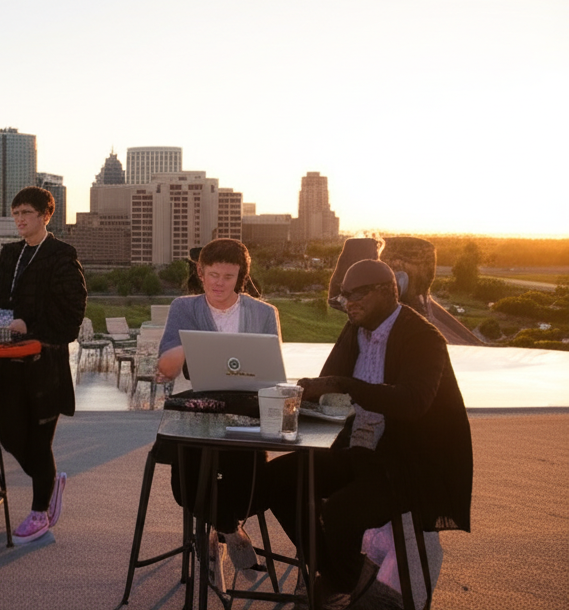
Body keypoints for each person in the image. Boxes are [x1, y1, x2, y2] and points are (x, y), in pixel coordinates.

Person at [265, 259, 473, 607]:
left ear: (389, 291)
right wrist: (302, 396)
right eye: (344, 296)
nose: (349, 303)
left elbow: (413, 402)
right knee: (279, 480)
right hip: (358, 450)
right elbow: (329, 383)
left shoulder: (424, 338)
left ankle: (341, 582)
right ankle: (339, 576)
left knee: (340, 513)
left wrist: (346, 385)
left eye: (357, 294)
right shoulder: (355, 330)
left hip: (408, 463)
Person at [155, 238, 281, 591]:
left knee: (253, 486)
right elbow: (166, 368)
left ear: (241, 276)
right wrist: (193, 345)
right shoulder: (184, 307)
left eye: (228, 276)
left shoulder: (263, 313)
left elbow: (272, 375)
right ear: (201, 272)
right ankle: (229, 530)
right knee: (187, 487)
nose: (219, 283)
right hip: (196, 413)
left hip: (245, 413)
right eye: (213, 275)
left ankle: (216, 536)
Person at [0, 187, 87, 544]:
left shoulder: (61, 254)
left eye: (26, 212)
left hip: (44, 365)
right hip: (6, 361)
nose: (20, 219)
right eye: (15, 213)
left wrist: (30, 326)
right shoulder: (11, 253)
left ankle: (40, 511)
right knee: (9, 436)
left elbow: (72, 313)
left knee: (39, 442)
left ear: (45, 215)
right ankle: (51, 482)